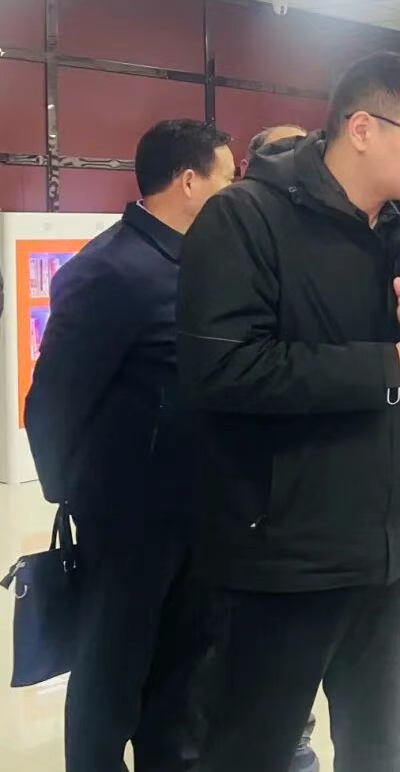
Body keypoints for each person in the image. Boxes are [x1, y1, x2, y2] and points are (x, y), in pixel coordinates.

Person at [177, 51, 400, 772]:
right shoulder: (245, 218)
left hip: (394, 545)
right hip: (284, 551)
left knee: (378, 747)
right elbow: (223, 370)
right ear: (363, 128)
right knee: (251, 748)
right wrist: (389, 364)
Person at [25, 119, 235, 772]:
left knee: (185, 669)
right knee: (110, 673)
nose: (235, 194)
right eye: (228, 180)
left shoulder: (203, 263)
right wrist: (81, 496)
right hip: (129, 522)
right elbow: (53, 401)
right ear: (190, 181)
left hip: (199, 512)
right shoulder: (110, 269)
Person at [245, 123, 321, 772]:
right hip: (250, 492)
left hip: (330, 495)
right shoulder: (238, 238)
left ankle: (295, 732)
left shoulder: (384, 232)